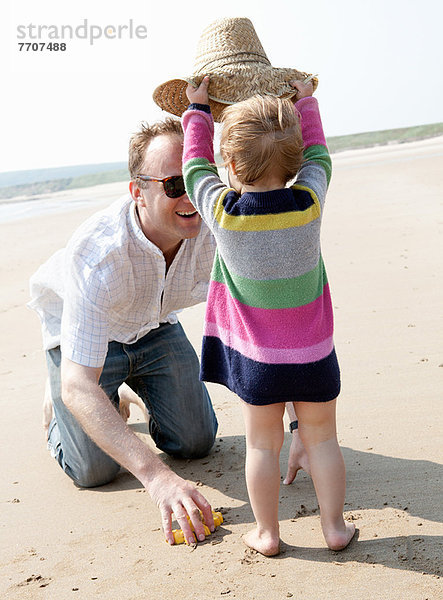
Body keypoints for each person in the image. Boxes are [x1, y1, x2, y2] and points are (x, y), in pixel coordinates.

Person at [181, 76, 356, 556]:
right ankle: (335, 528)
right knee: (322, 441)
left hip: (257, 362)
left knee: (261, 447)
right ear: (297, 159)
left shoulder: (223, 210)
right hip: (314, 355)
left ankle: (267, 533)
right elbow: (321, 158)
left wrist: (197, 111)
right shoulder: (309, 202)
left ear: (232, 163)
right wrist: (308, 102)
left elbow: (195, 168)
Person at [29, 118, 219, 546]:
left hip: (154, 327)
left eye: (198, 177)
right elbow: (79, 386)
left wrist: (300, 425)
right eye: (174, 184)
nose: (191, 196)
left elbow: (261, 323)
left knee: (195, 442)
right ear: (138, 191)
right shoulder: (99, 253)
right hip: (81, 341)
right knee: (94, 472)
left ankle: (124, 393)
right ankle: (58, 402)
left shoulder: (216, 226)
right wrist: (158, 479)